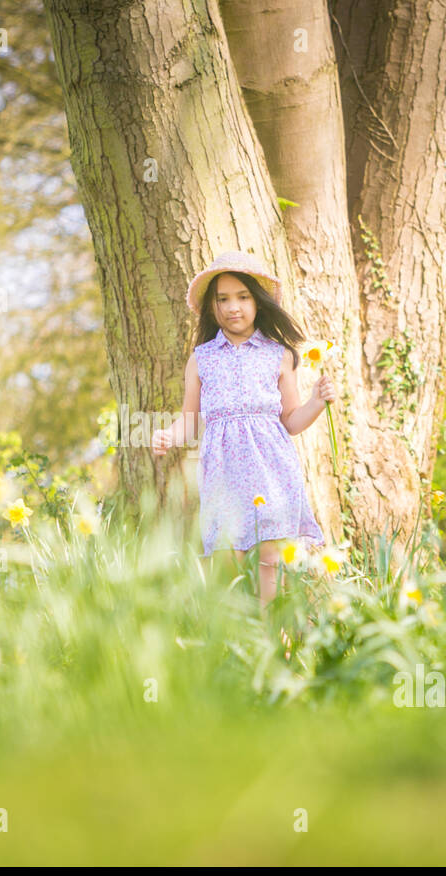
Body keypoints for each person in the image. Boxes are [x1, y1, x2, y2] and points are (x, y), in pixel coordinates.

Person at [152, 250, 334, 625]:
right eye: (223, 299)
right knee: (228, 565)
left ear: (258, 301)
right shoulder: (201, 358)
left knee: (270, 563)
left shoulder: (277, 354)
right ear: (212, 307)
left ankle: (278, 650)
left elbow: (291, 420)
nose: (233, 307)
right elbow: (189, 420)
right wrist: (168, 436)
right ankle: (236, 654)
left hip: (271, 471)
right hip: (223, 475)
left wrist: (316, 401)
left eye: (243, 297)